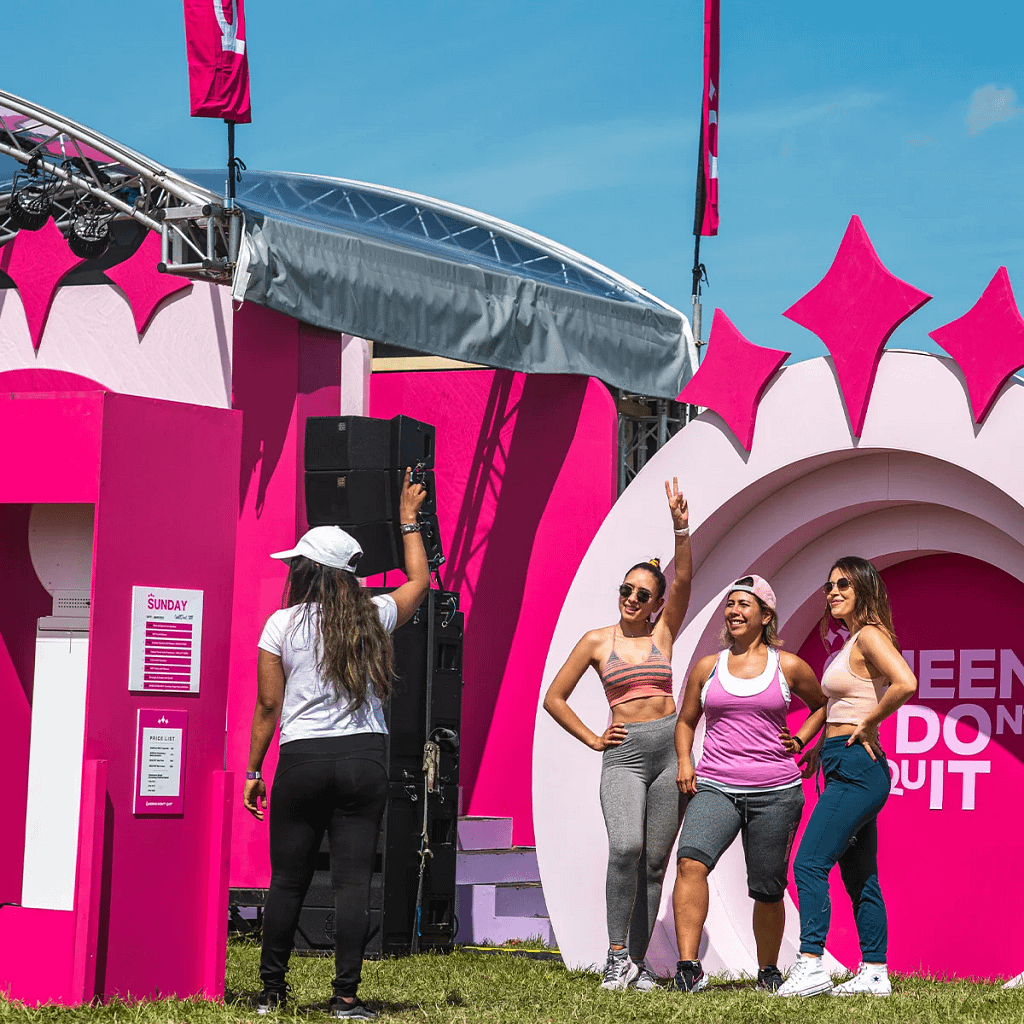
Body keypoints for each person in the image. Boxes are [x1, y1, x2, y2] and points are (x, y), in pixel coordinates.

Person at [243, 470, 429, 1020]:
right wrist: (408, 520)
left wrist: (254, 770)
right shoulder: (373, 615)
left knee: (288, 879)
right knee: (352, 883)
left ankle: (272, 993)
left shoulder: (280, 625)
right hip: (363, 759)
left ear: (307, 571)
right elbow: (418, 583)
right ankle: (346, 998)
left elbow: (268, 710)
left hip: (302, 761)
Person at [543, 479, 692, 991]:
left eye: (642, 594)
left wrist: (680, 528)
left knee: (654, 863)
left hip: (670, 750)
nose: (631, 598)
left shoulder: (662, 634)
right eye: (625, 590)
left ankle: (639, 963)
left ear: (657, 603)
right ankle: (615, 956)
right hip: (626, 756)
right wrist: (591, 738)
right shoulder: (595, 641)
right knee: (625, 847)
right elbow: (553, 698)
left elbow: (687, 580)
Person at [671, 575, 826, 994]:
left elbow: (822, 706)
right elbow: (686, 722)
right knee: (690, 864)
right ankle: (688, 968)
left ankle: (768, 971)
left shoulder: (788, 666)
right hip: (715, 786)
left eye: (744, 604)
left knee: (768, 887)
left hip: (776, 792)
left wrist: (802, 741)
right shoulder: (709, 666)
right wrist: (685, 761)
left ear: (765, 615)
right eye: (730, 605)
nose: (734, 611)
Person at [776, 556, 917, 998]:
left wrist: (871, 721)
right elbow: (843, 705)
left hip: (857, 768)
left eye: (843, 584)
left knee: (808, 862)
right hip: (843, 761)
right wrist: (820, 744)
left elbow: (906, 682)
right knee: (861, 878)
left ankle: (812, 964)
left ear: (863, 590)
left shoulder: (870, 635)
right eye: (829, 584)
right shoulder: (852, 640)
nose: (833, 591)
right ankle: (875, 972)